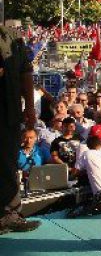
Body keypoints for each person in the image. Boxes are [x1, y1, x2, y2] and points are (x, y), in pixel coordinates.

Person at [0, 24, 41, 234]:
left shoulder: (12, 37)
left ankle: (10, 214)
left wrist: (30, 109)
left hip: (10, 114)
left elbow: (26, 73)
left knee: (8, 163)